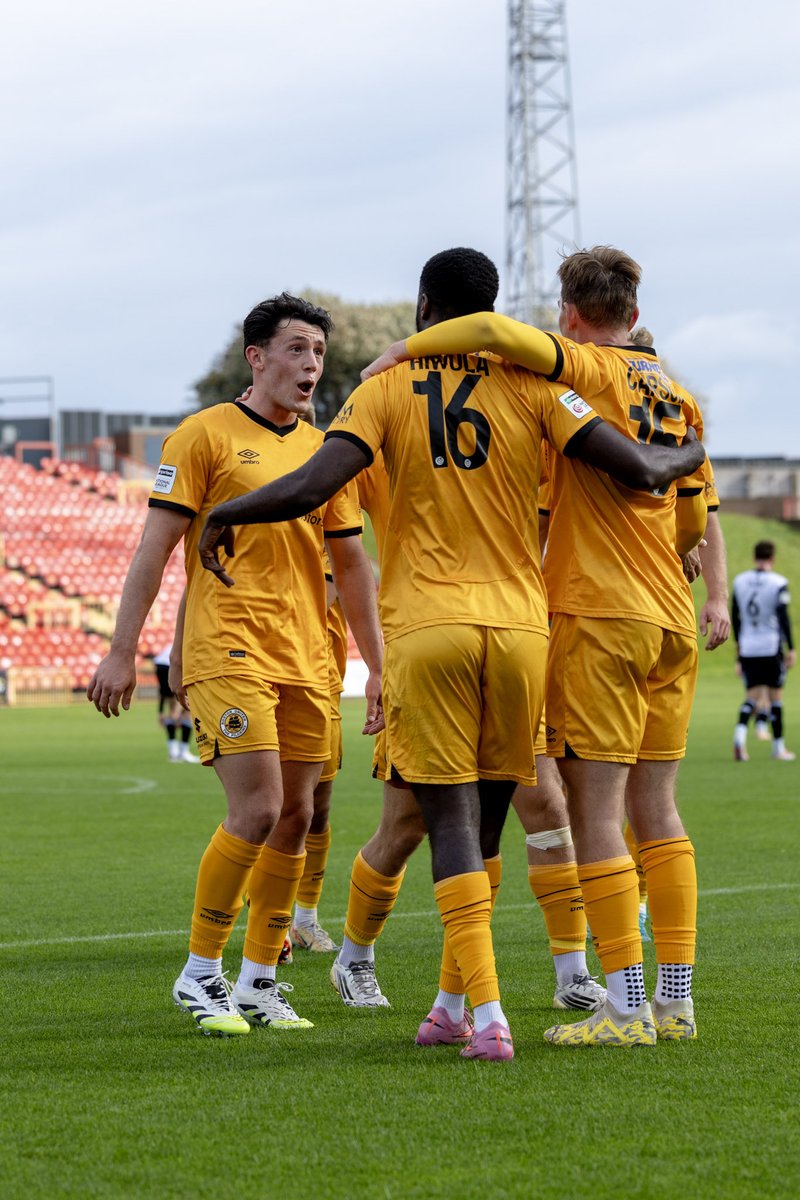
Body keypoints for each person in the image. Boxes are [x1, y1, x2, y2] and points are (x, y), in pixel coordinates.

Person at [196, 248, 705, 1059]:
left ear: (423, 304)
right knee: (507, 820)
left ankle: (488, 1015)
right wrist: (687, 460)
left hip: (428, 631)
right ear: (492, 308)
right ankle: (454, 1002)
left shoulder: (383, 389)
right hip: (520, 633)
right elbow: (639, 466)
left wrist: (231, 510)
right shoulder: (541, 386)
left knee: (444, 824)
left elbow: (310, 485)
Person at [361, 245, 714, 1047]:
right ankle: (675, 1001)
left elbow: (486, 327)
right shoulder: (678, 392)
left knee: (592, 814)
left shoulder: (583, 367)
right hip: (668, 615)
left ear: (574, 316)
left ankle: (623, 1011)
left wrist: (403, 350)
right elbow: (692, 516)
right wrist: (686, 558)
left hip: (597, 614)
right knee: (658, 812)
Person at [87, 293, 383, 1037]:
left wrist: (377, 667)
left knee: (295, 816)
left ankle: (259, 982)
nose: (310, 364)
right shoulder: (203, 436)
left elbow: (351, 567)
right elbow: (154, 550)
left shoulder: (326, 454)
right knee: (255, 808)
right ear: (257, 358)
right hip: (229, 645)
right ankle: (200, 972)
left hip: (309, 658)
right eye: (296, 349)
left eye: (317, 351)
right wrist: (124, 651)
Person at [732, 540, 795, 761]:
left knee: (751, 697)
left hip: (748, 647)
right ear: (773, 558)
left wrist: (738, 651)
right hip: (770, 646)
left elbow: (736, 617)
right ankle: (778, 749)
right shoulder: (778, 583)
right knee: (775, 698)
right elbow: (783, 617)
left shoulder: (740, 582)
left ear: (754, 556)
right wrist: (792, 648)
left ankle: (739, 739)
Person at [153, 642, 199, 763]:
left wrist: (160, 711)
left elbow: (163, 691)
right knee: (187, 711)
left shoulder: (173, 643)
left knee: (174, 708)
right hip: (175, 666)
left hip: (160, 665)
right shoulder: (192, 640)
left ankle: (173, 752)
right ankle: (183, 752)